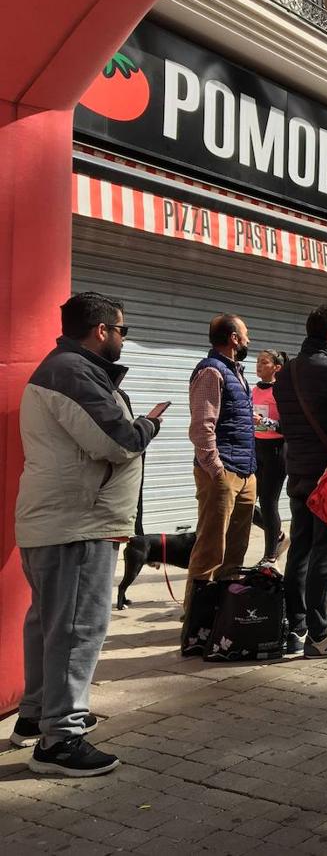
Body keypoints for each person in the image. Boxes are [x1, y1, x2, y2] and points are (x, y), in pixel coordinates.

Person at [13, 292, 163, 775]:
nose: (123, 339)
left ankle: (37, 717)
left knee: (49, 624)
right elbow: (117, 440)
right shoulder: (73, 372)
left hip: (57, 521)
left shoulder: (64, 369)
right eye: (123, 331)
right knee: (77, 629)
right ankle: (61, 738)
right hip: (77, 524)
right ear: (102, 330)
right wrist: (148, 424)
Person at [273, 305, 327, 657]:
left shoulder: (285, 373)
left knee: (301, 552)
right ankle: (320, 635)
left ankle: (296, 627)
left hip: (298, 474)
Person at [186, 314, 257, 608]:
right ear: (234, 339)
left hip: (245, 469)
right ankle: (196, 619)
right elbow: (202, 427)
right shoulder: (211, 372)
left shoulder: (235, 371)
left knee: (236, 549)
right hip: (222, 471)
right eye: (246, 334)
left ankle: (224, 613)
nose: (249, 340)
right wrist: (216, 470)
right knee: (211, 547)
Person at [252, 349, 288, 565]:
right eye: (257, 362)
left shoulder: (282, 392)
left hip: (276, 450)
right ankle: (278, 536)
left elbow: (289, 425)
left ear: (276, 367)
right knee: (245, 502)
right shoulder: (252, 389)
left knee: (267, 502)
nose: (258, 366)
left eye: (264, 362)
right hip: (255, 448)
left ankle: (270, 554)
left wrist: (265, 422)